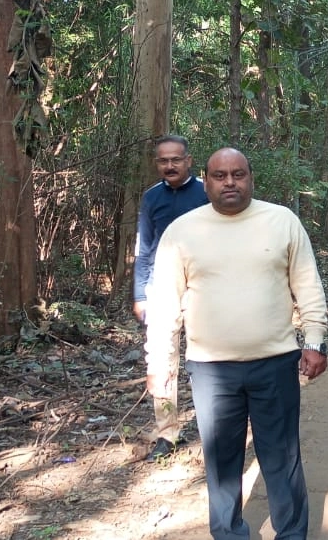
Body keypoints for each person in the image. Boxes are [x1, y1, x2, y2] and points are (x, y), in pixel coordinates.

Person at [144, 148, 328, 540]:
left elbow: (307, 285)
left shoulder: (281, 221)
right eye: (220, 175)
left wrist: (314, 339)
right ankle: (229, 533)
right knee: (222, 461)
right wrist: (160, 363)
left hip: (275, 361)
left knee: (281, 457)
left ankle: (291, 533)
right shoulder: (182, 231)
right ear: (206, 181)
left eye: (238, 174)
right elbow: (164, 306)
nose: (230, 182)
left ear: (251, 178)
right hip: (211, 369)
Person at [132, 134, 209, 461]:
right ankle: (167, 434)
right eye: (163, 160)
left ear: (188, 160)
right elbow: (144, 248)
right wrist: (140, 294)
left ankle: (212, 425)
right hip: (161, 286)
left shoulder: (207, 192)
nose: (170, 165)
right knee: (161, 360)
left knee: (206, 358)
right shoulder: (152, 197)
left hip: (203, 286)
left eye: (176, 159)